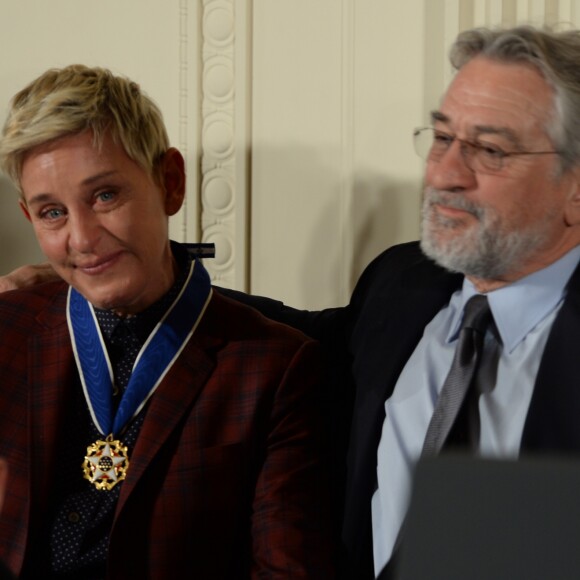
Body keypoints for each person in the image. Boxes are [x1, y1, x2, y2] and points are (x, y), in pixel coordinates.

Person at [5, 24, 580, 580]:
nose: (444, 173)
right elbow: (271, 334)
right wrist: (83, 281)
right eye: (443, 138)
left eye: (490, 149)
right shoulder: (406, 283)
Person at [0, 65, 333, 579]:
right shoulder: (9, 329)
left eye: (105, 195)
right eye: (53, 213)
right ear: (29, 218)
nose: (82, 239)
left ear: (170, 183)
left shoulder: (276, 369)